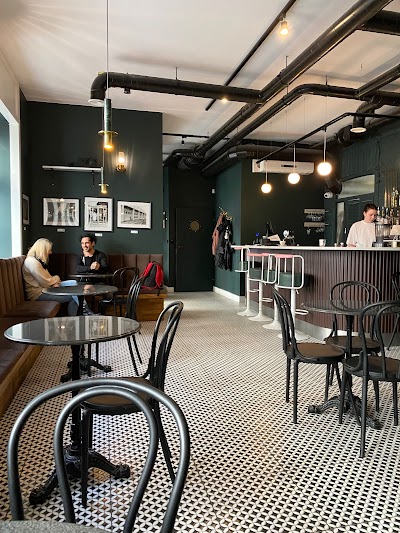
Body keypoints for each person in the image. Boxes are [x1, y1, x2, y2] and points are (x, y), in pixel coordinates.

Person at [22, 238, 79, 316]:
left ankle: (82, 310)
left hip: (47, 288)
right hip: (38, 294)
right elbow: (45, 282)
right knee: (73, 296)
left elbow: (48, 279)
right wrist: (57, 278)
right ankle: (77, 316)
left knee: (73, 283)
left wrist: (54, 283)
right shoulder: (32, 262)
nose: (50, 252)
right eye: (49, 250)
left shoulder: (38, 261)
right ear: (43, 250)